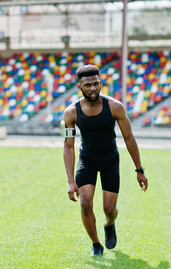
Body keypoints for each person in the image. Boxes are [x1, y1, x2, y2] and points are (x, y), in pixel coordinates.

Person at [62, 64, 148, 256]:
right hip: (87, 159)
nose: (92, 88)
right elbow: (68, 146)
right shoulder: (71, 113)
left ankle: (109, 223)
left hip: (110, 159)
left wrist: (139, 170)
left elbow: (129, 138)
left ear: (100, 83)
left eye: (95, 84)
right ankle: (96, 245)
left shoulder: (115, 107)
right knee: (85, 203)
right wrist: (70, 181)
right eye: (87, 85)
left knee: (109, 209)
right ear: (79, 87)